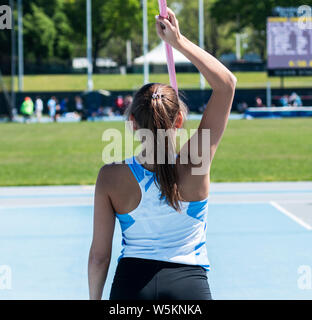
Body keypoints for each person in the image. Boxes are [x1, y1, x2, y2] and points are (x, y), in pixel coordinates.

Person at [88, 8, 236, 300]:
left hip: (131, 288)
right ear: (178, 121)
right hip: (189, 288)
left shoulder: (110, 176)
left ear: (132, 124)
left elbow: (99, 257)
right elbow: (226, 85)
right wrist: (179, 42)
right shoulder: (195, 162)